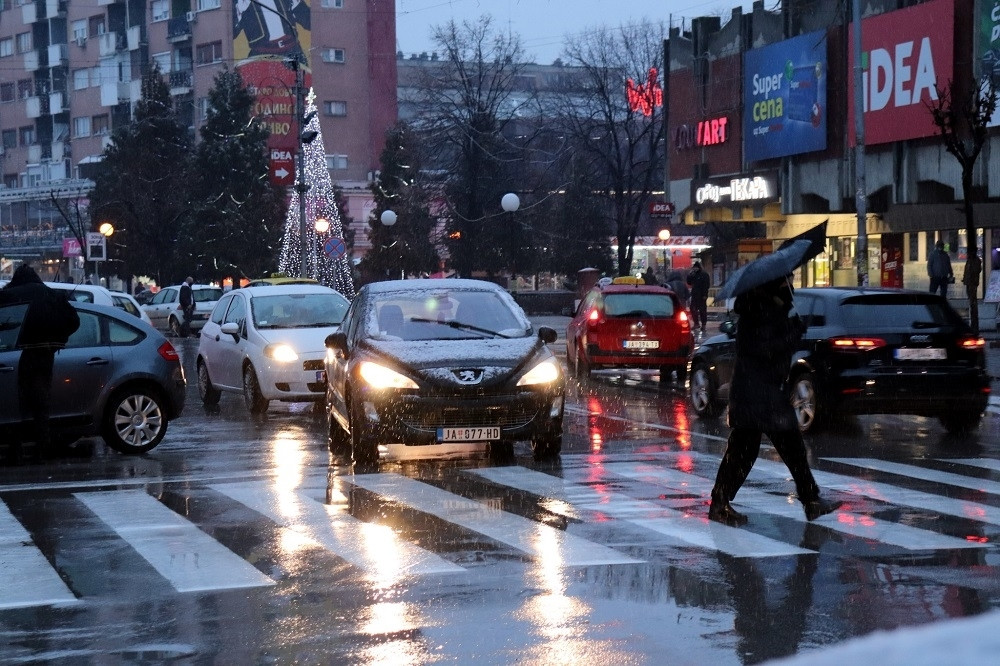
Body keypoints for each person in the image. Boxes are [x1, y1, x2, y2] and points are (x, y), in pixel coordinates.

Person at [708, 274, 841, 526]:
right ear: (772, 286)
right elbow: (765, 350)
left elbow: (774, 352)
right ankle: (721, 503)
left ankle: (810, 500)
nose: (790, 286)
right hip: (756, 394)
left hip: (764, 392)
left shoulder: (772, 310)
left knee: (773, 449)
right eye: (785, 282)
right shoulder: (756, 313)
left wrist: (791, 328)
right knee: (757, 450)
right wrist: (793, 333)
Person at [0, 265, 80, 463]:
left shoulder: (9, 295)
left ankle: (15, 450)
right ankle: (42, 448)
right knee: (41, 403)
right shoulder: (51, 295)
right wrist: (57, 339)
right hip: (45, 354)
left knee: (14, 403)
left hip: (16, 355)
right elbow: (74, 321)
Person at [687, 261, 711, 333]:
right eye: (694, 268)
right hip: (695, 295)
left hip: (702, 295)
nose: (695, 269)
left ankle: (703, 325)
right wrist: (689, 275)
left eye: (696, 268)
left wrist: (705, 295)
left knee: (702, 310)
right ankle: (696, 323)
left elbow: (706, 285)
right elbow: (689, 282)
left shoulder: (704, 274)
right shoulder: (693, 274)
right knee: (693, 309)